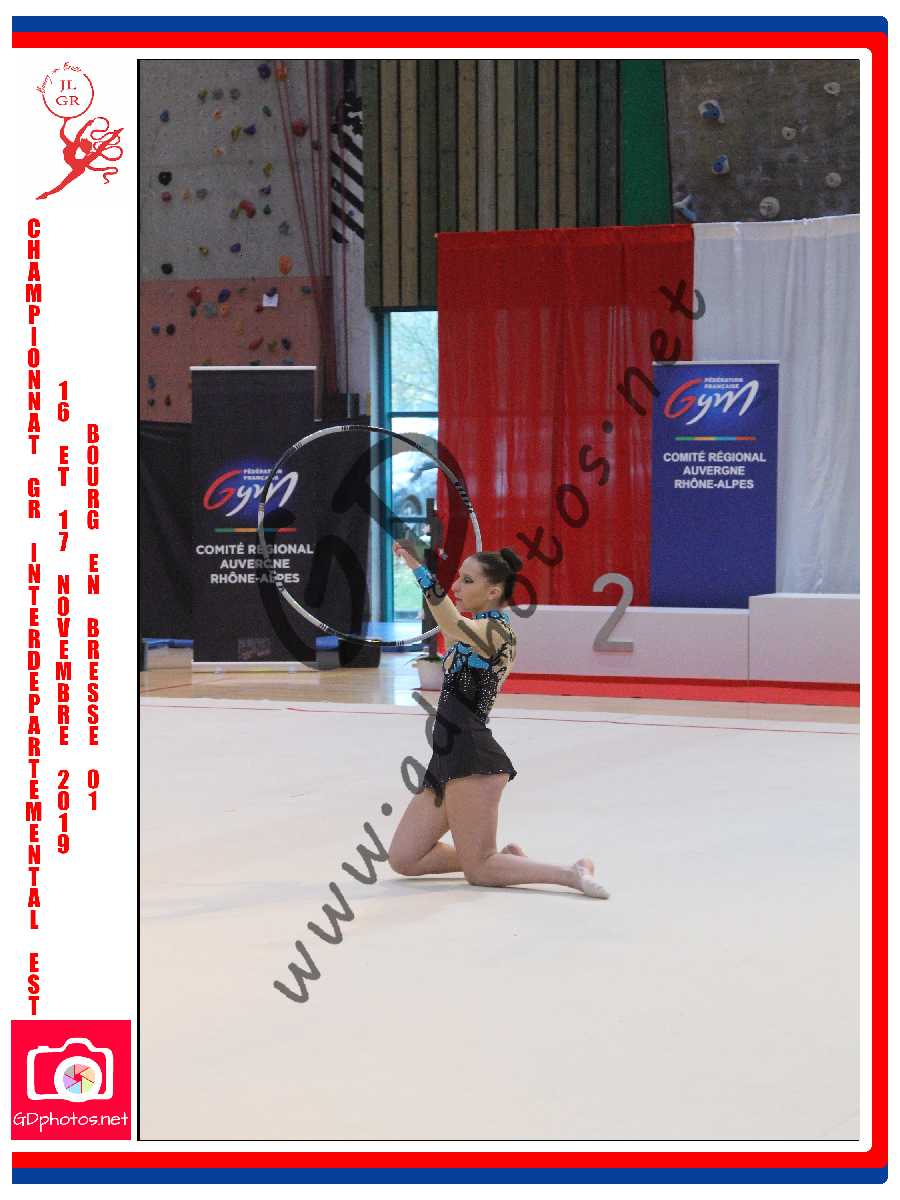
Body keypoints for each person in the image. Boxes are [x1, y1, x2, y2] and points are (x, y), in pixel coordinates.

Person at [388, 540, 609, 899]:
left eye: (467, 581)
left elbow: (449, 620)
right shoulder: (472, 628)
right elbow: (451, 622)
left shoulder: (497, 633)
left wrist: (417, 568)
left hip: (472, 757)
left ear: (493, 592)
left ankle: (571, 873)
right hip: (446, 754)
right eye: (458, 578)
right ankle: (505, 861)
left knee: (480, 870)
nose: (457, 586)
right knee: (405, 858)